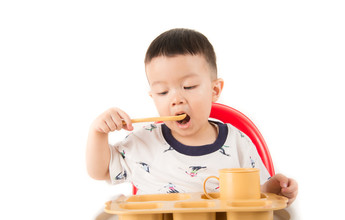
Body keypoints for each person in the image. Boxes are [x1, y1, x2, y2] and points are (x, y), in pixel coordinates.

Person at [86, 28, 298, 205]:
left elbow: (259, 197)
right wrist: (98, 132)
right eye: (162, 92)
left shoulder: (237, 143)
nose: (176, 99)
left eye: (189, 86)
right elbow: (100, 171)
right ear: (152, 96)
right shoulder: (144, 142)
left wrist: (274, 189)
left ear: (215, 90)